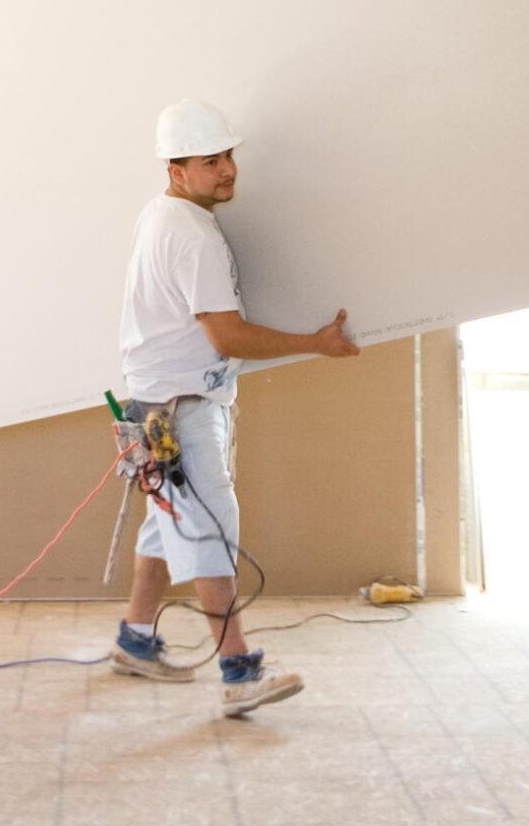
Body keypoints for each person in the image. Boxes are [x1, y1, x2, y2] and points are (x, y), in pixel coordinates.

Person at [109, 96, 358, 717]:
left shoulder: (162, 213)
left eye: (228, 157)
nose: (226, 171)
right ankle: (239, 672)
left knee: (168, 526)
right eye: (210, 161)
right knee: (212, 532)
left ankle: (136, 640)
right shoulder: (190, 235)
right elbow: (227, 335)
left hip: (158, 400)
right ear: (176, 170)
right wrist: (314, 345)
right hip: (180, 410)